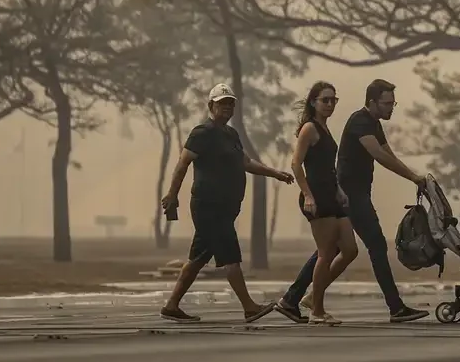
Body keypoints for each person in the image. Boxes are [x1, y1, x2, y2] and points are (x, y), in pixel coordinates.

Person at [275, 79, 430, 324]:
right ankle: (395, 307)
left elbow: (387, 151)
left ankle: (295, 298)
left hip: (344, 192)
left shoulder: (372, 124)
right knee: (374, 246)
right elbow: (378, 155)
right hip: (349, 193)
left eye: (393, 103)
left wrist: (415, 176)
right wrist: (411, 176)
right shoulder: (360, 121)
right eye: (387, 103)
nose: (391, 108)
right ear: (372, 102)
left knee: (337, 250)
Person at [159, 83, 295, 323]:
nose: (227, 107)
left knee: (198, 258)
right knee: (231, 256)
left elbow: (246, 162)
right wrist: (172, 195)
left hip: (225, 207)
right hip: (209, 205)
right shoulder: (201, 133)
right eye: (222, 103)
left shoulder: (231, 135)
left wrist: (276, 173)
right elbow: (182, 164)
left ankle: (171, 305)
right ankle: (249, 307)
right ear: (211, 105)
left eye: (231, 103)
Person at [291, 81, 358, 325]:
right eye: (325, 100)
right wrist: (308, 195)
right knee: (326, 253)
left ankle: (312, 296)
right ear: (313, 102)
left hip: (332, 194)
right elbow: (296, 164)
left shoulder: (325, 128)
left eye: (333, 100)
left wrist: (339, 190)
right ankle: (317, 310)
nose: (330, 104)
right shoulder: (309, 128)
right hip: (316, 196)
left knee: (350, 250)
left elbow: (328, 167)